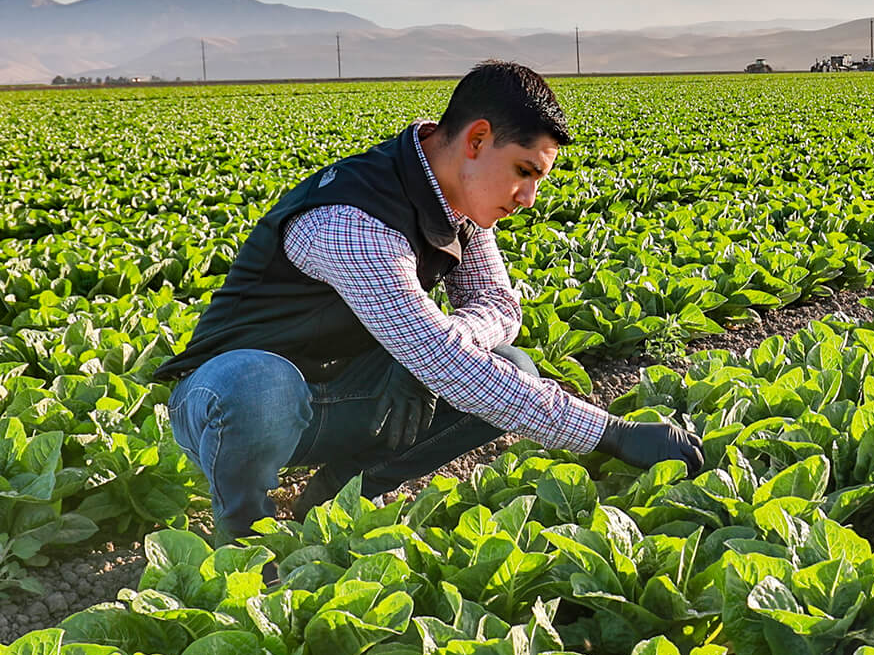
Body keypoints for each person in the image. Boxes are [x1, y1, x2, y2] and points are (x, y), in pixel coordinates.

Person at [156, 60, 703, 545]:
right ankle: (246, 536)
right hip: (229, 405)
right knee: (262, 381)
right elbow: (447, 360)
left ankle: (337, 497)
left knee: (510, 368)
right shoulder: (353, 221)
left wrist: (436, 348)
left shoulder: (458, 202)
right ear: (477, 139)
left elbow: (500, 308)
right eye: (524, 172)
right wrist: (612, 434)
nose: (529, 199)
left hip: (338, 397)